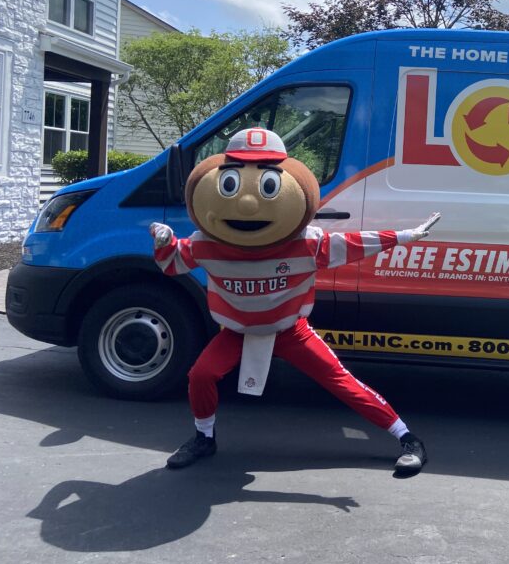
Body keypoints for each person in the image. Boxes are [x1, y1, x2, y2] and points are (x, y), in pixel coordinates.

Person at [150, 127, 440, 476]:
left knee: (340, 380)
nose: (246, 203)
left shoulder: (307, 245)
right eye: (231, 183)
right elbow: (171, 263)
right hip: (237, 332)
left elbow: (356, 243)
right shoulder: (205, 244)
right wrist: (163, 242)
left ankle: (407, 438)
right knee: (200, 375)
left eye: (268, 185)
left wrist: (406, 235)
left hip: (291, 331)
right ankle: (204, 438)